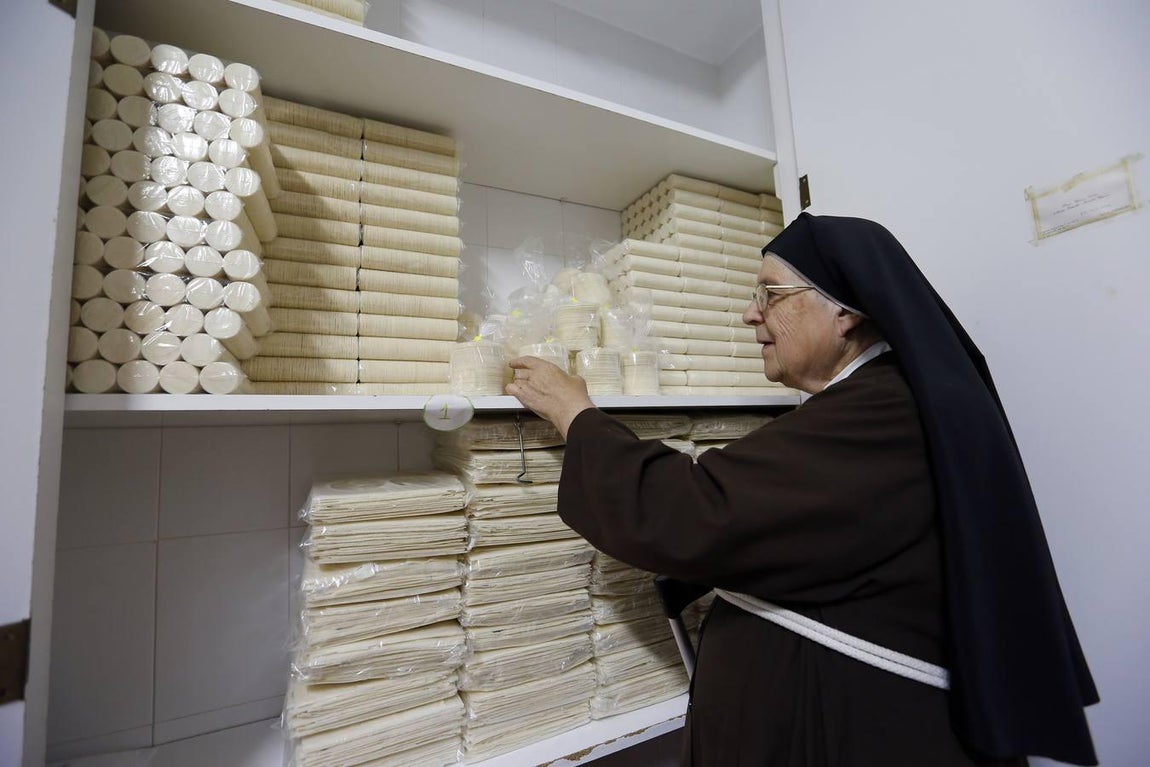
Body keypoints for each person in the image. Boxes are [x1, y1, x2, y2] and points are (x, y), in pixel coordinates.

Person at [505, 213, 1098, 766]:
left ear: (844, 312)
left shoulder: (882, 414)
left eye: (770, 293)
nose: (749, 313)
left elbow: (697, 509)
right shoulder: (873, 403)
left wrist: (574, 411)